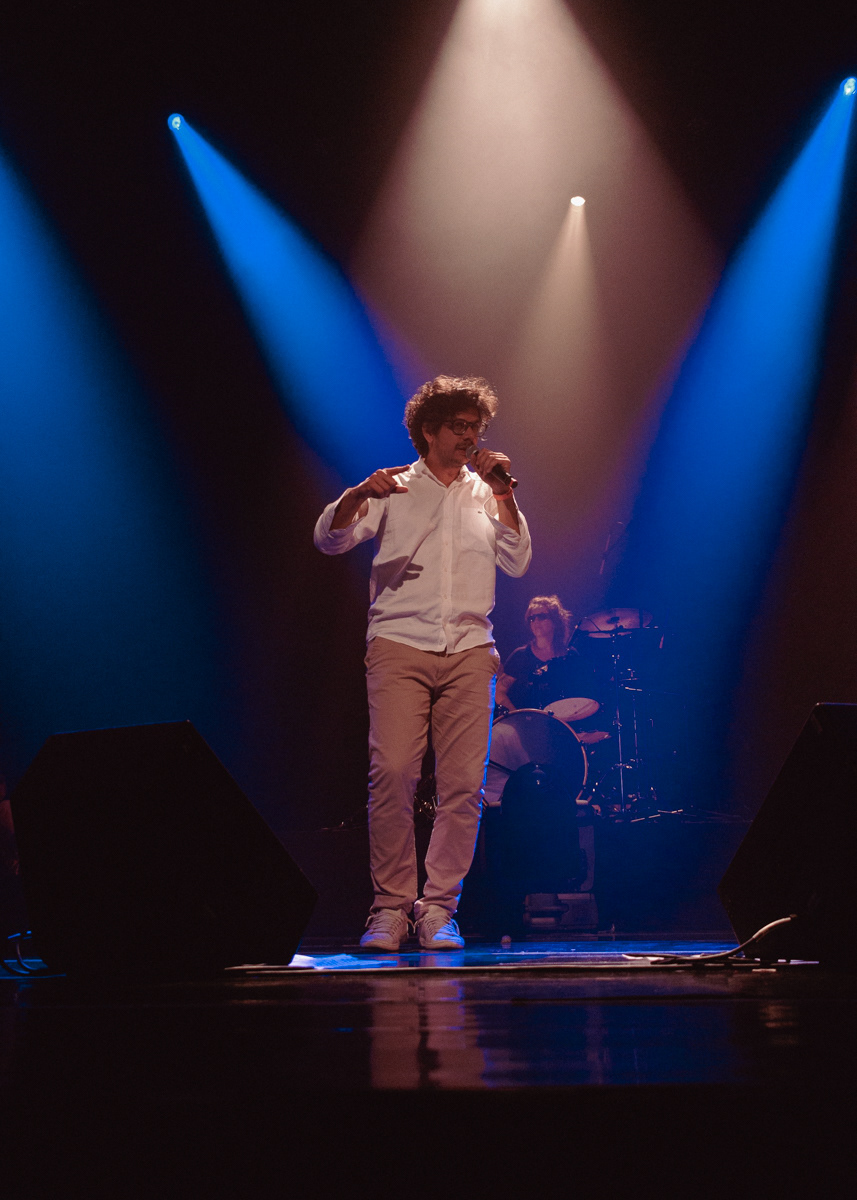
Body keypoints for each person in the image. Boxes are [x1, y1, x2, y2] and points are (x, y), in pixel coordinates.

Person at [314, 375, 532, 951]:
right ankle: (389, 908)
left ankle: (438, 909)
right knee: (392, 774)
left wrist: (505, 495)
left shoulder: (487, 491)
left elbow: (518, 562)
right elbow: (329, 540)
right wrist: (356, 495)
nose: (471, 437)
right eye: (460, 427)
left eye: (477, 428)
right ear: (428, 430)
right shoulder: (394, 487)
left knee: (464, 785)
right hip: (399, 644)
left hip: (470, 650)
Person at [495, 595, 596, 713]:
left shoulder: (570, 655)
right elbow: (498, 692)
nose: (536, 621)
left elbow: (584, 692)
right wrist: (517, 717)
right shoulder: (521, 656)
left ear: (555, 621)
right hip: (529, 721)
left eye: (542, 616)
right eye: (532, 618)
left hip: (567, 719)